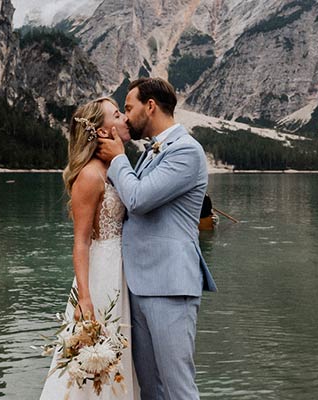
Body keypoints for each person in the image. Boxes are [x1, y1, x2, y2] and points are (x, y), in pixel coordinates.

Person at [95, 77, 217, 400]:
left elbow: (137, 198)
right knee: (150, 389)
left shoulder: (187, 151)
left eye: (129, 108)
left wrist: (118, 157)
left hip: (170, 287)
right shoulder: (151, 152)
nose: (126, 115)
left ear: (150, 107)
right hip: (140, 286)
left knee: (178, 389)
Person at [40, 97, 140, 399]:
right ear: (100, 130)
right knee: (94, 358)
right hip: (101, 275)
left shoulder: (115, 168)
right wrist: (84, 297)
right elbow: (81, 241)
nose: (124, 119)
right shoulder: (90, 175)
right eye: (117, 114)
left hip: (121, 272)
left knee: (118, 358)